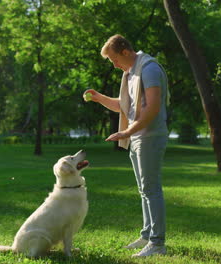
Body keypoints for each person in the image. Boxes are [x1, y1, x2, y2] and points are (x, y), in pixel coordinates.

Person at [83, 34, 170, 257]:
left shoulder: (148, 69)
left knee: (151, 189)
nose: (114, 65)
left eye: (114, 59)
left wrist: (128, 131)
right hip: (138, 137)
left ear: (125, 52)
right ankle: (147, 235)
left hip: (150, 136)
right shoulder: (130, 73)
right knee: (144, 189)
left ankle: (157, 243)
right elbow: (125, 107)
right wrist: (98, 97)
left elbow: (153, 107)